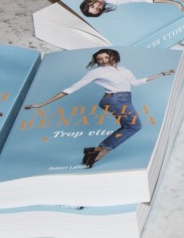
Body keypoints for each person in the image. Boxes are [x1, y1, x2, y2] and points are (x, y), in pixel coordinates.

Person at [24, 48, 175, 167]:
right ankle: (101, 152)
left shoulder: (124, 69)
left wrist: (161, 74)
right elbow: (73, 88)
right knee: (134, 126)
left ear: (113, 56)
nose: (103, 61)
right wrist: (42, 104)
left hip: (125, 99)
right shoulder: (96, 72)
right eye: (99, 59)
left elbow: (136, 82)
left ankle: (97, 150)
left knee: (129, 126)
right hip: (114, 100)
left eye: (106, 57)